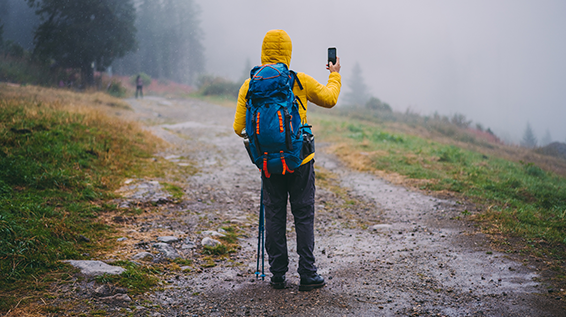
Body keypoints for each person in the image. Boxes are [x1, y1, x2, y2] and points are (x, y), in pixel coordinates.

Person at [233, 29, 341, 291]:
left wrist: (267, 138)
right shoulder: (298, 80)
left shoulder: (250, 85)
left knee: (274, 214)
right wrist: (334, 74)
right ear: (288, 53)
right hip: (300, 161)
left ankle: (278, 274)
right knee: (303, 215)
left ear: (264, 50)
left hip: (269, 162)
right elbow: (330, 99)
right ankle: (307, 273)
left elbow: (238, 128)